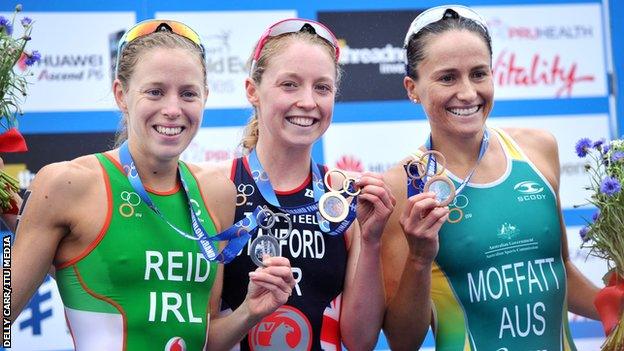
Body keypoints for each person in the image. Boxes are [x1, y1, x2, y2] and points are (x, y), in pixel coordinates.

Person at [9, 19, 294, 350]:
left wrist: (249, 312)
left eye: (188, 94)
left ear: (204, 97)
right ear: (121, 95)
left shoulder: (216, 191)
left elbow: (206, 338)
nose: (172, 109)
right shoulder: (69, 183)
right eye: (155, 92)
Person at [381, 5, 601, 350]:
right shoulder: (401, 186)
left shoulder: (538, 150)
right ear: (412, 88)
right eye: (447, 77)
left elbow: (560, 273)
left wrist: (613, 305)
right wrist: (419, 258)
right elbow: (402, 340)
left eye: (479, 74)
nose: (468, 93)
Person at [211, 18, 395, 350]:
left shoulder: (346, 195)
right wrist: (248, 314)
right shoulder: (215, 188)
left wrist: (371, 241)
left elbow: (361, 341)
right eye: (290, 85)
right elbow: (200, 339)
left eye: (322, 87)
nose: (308, 101)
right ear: (253, 90)